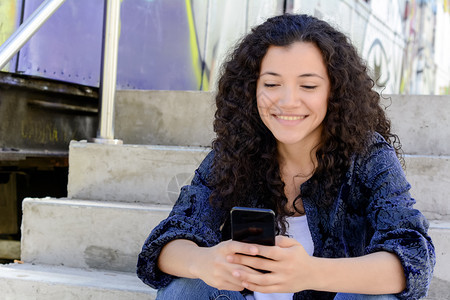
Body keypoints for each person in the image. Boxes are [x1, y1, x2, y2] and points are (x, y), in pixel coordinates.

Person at [137, 14, 435, 300]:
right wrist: (204, 261)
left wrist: (310, 273)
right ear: (250, 89)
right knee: (185, 288)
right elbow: (167, 242)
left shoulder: (368, 156)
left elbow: (414, 257)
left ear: (334, 91)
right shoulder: (236, 151)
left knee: (376, 296)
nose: (288, 101)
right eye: (271, 84)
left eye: (308, 85)